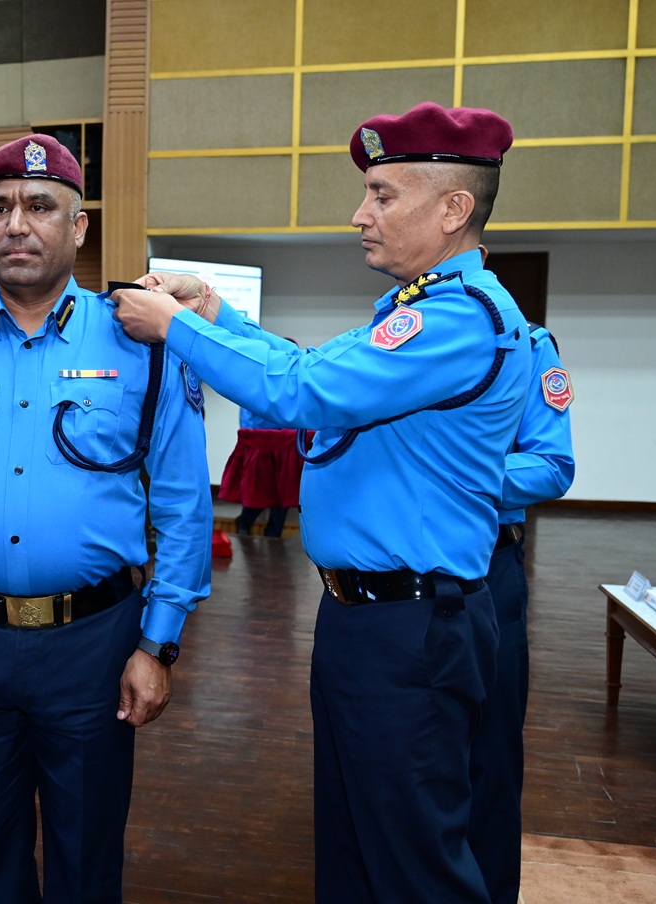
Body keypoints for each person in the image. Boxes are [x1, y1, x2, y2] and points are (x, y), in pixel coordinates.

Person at [111, 102, 528, 904]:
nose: (359, 214)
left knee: (414, 862)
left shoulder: (458, 319)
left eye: (382, 194)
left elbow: (298, 392)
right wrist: (214, 313)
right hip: (371, 618)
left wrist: (174, 329)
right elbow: (305, 364)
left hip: (412, 627)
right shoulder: (415, 309)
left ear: (453, 209)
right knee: (354, 839)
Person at [0, 134, 212, 903]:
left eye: (38, 206)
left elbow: (185, 503)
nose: (15, 224)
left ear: (80, 226)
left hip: (95, 643)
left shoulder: (143, 343)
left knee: (87, 853)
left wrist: (160, 642)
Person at [469, 310, 575, 904]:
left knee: (490, 756)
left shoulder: (529, 347)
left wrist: (454, 474)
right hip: (404, 577)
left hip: (488, 570)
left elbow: (552, 465)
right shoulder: (396, 343)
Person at [220, 406, 303, 537]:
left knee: (284, 490)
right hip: (262, 440)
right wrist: (249, 436)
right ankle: (245, 521)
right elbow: (247, 409)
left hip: (287, 439)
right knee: (261, 488)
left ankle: (274, 533)